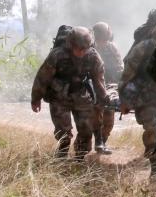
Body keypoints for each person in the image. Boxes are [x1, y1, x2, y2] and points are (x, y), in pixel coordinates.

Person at [31, 27, 106, 161]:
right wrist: (36, 98)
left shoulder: (93, 56)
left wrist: (103, 99)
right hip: (59, 96)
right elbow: (43, 78)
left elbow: (99, 80)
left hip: (80, 94)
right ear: (71, 44)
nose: (82, 52)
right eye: (79, 48)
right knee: (63, 132)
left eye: (85, 48)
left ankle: (80, 158)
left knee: (86, 130)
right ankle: (62, 153)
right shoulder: (57, 55)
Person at [118, 11, 156, 181]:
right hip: (145, 96)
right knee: (153, 130)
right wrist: (125, 99)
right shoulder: (143, 48)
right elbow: (127, 74)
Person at [91, 21, 124, 155]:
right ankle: (96, 142)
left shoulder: (112, 48)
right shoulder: (89, 47)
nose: (103, 41)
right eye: (101, 37)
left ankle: (102, 142)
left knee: (109, 120)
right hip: (92, 86)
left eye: (105, 38)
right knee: (94, 119)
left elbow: (119, 66)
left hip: (109, 86)